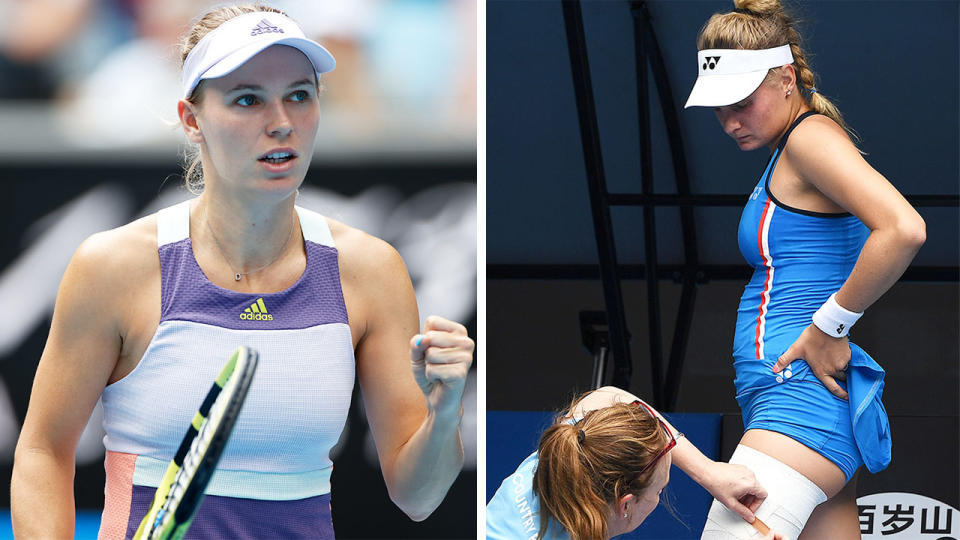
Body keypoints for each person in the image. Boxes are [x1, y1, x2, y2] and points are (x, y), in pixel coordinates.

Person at [10, 4, 474, 538]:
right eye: (248, 99)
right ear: (192, 119)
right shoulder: (113, 266)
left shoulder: (372, 271)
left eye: (299, 95)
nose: (281, 123)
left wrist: (444, 416)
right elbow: (42, 453)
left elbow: (418, 497)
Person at [684, 0, 925, 538]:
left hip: (799, 403)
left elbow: (904, 228)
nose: (729, 123)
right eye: (718, 109)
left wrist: (829, 326)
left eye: (741, 103)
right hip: (792, 402)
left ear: (786, 78)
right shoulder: (794, 146)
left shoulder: (809, 139)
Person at [486, 386, 788, 540]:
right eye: (659, 490)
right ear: (626, 504)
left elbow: (609, 396)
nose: (661, 496)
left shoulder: (566, 454)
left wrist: (708, 471)